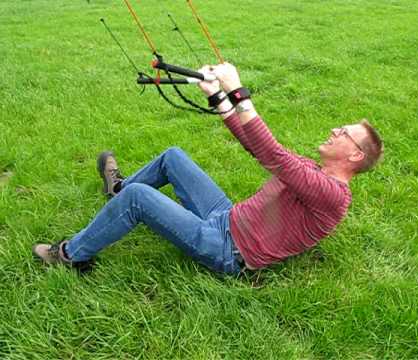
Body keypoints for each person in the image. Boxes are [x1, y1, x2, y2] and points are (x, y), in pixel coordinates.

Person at [33, 63, 384, 275]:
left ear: (355, 156)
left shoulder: (333, 196)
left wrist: (239, 90)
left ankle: (70, 256)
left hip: (227, 250)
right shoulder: (312, 171)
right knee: (173, 156)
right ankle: (117, 195)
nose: (336, 130)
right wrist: (217, 96)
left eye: (345, 133)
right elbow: (254, 146)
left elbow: (272, 153)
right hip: (227, 218)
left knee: (142, 198)